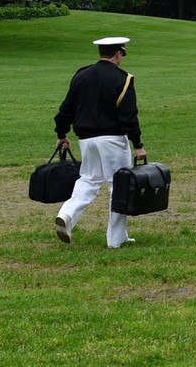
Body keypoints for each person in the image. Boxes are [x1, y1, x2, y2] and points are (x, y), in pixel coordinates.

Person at [53, 36, 147, 248]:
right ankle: (116, 239)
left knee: (88, 180)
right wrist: (138, 144)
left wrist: (61, 133)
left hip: (86, 140)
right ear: (118, 53)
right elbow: (129, 116)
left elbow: (66, 109)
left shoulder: (81, 75)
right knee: (119, 186)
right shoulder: (123, 79)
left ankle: (66, 215)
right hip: (113, 140)